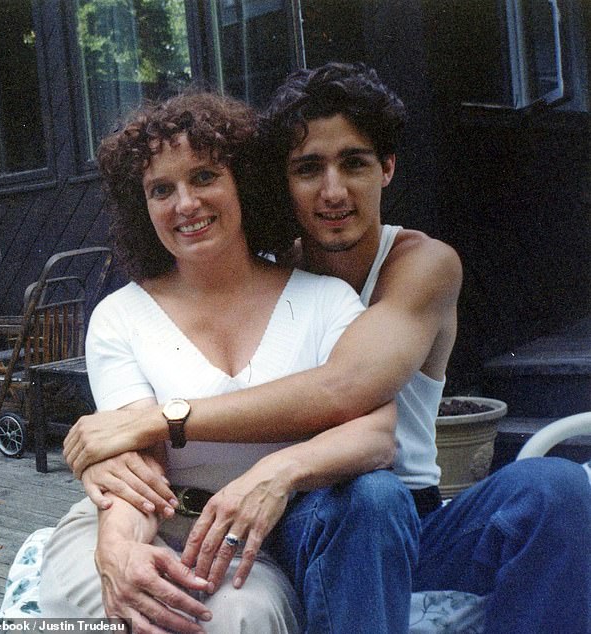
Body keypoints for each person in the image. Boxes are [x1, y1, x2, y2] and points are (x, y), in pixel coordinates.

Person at [64, 63, 591, 634]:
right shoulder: (272, 274)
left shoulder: (420, 264)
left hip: (402, 511)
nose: (333, 191)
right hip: (317, 515)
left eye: (355, 163)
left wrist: (162, 423)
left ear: (387, 168)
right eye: (308, 168)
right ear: (280, 181)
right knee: (367, 497)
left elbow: (349, 388)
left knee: (554, 487)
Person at [39, 90, 404, 633]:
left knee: (235, 620)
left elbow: (377, 435)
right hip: (143, 522)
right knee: (138, 614)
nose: (185, 204)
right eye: (161, 189)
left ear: (244, 183)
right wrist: (119, 553)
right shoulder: (120, 316)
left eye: (204, 177)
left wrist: (273, 473)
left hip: (247, 540)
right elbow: (137, 464)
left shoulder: (324, 301)